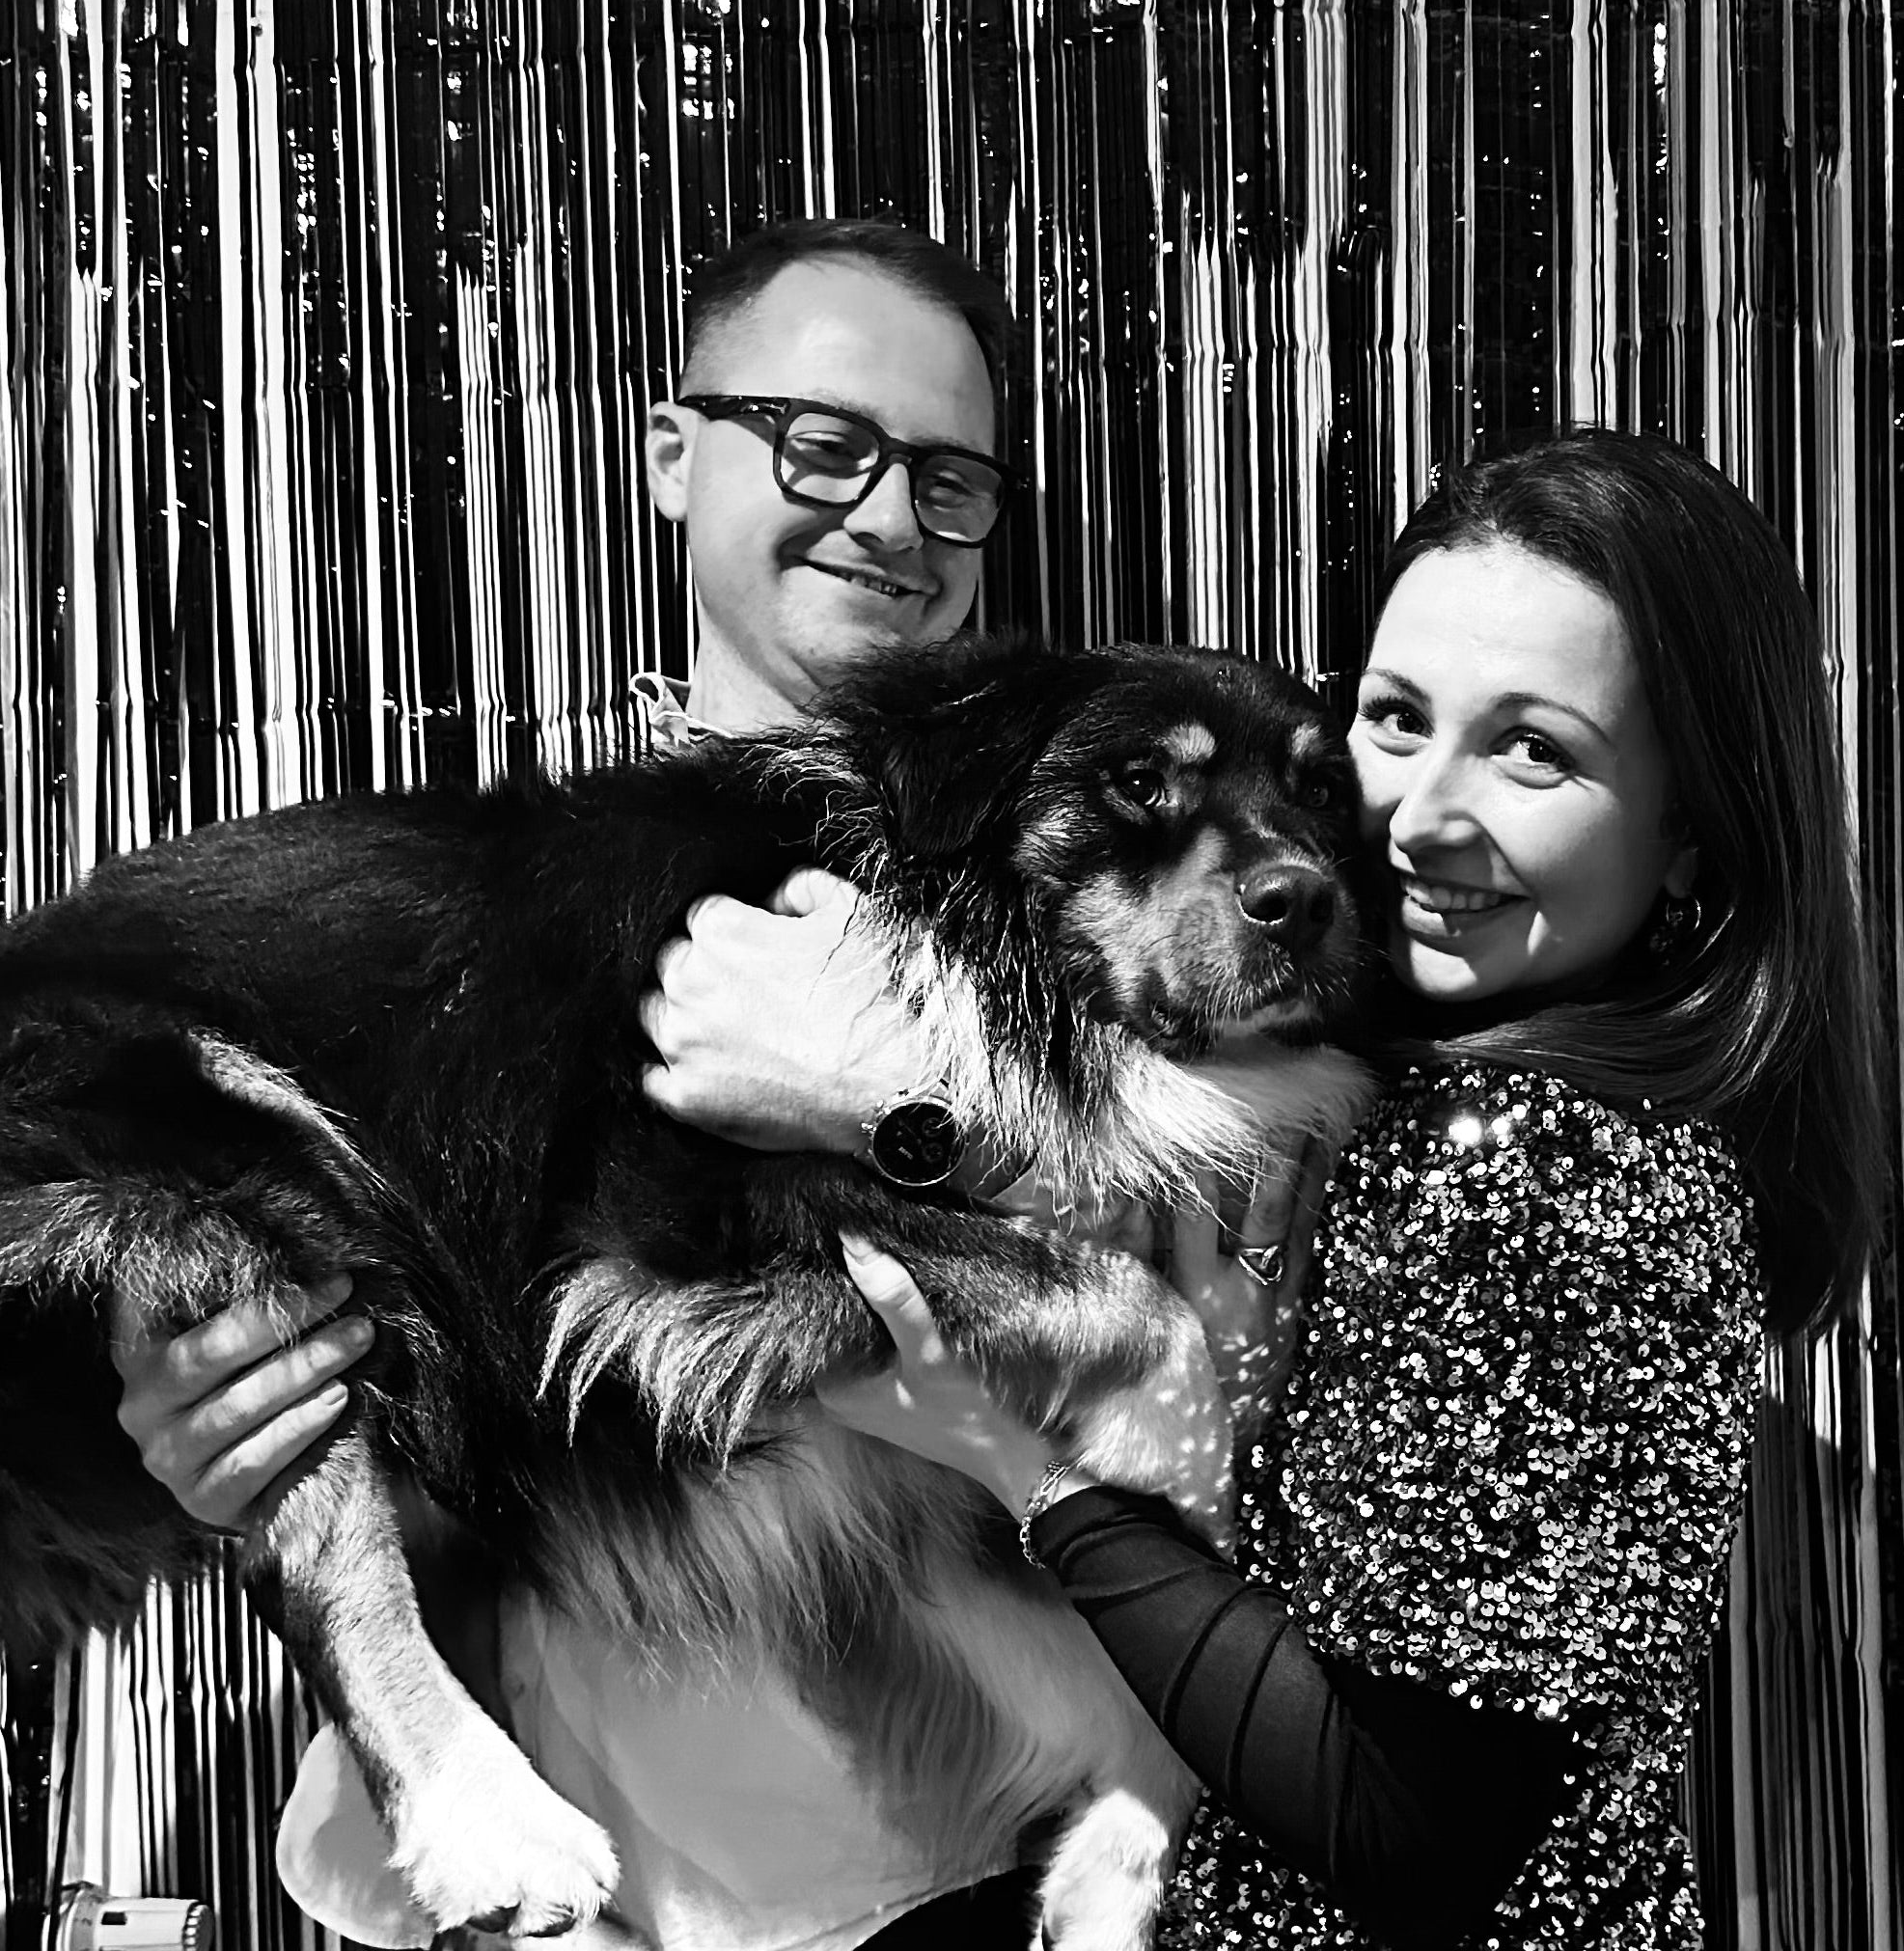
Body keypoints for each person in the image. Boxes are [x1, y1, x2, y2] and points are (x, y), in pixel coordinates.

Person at [639, 427, 1890, 1946]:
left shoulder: (1541, 1165)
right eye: (1396, 720)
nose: (1417, 816)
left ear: (1688, 832)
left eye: (1533, 750)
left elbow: (1400, 1822)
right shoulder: (1403, 1083)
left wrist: (1014, 1463)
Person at [109, 213, 1044, 1951]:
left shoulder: (1058, 899)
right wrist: (217, 1443)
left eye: (949, 480)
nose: (889, 519)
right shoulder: (445, 925)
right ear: (675, 456)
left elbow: (1182, 1360)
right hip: (517, 1878)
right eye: (824, 445)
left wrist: (899, 1117)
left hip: (954, 1874)